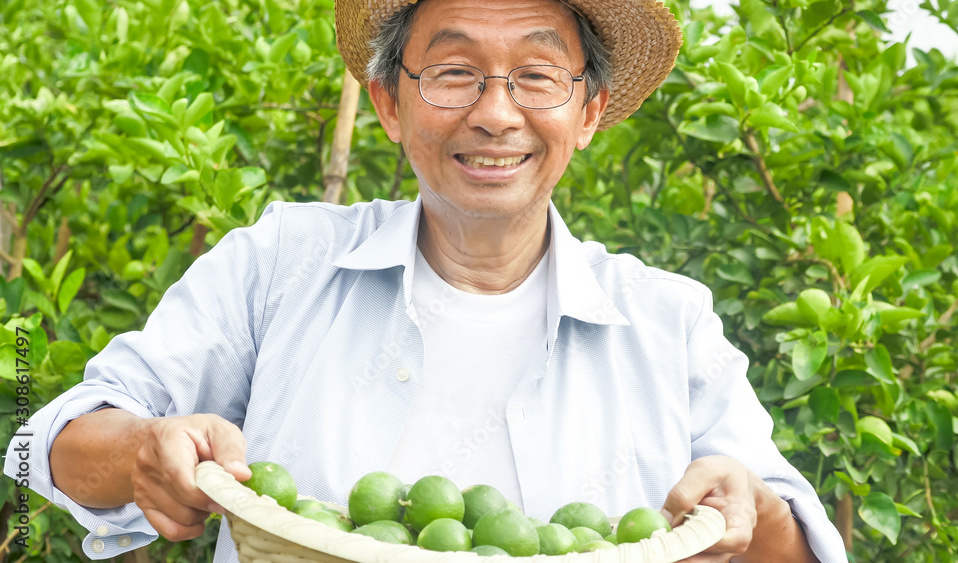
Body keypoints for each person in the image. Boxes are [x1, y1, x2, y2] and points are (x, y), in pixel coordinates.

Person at [4, 0, 849, 561]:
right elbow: (51, 443)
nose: (494, 110)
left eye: (537, 75)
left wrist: (753, 515)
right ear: (388, 103)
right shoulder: (280, 263)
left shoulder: (670, 323)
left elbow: (789, 541)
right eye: (452, 72)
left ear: (587, 112)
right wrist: (141, 452)